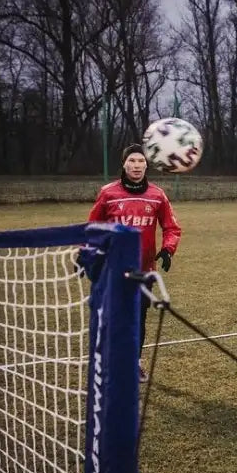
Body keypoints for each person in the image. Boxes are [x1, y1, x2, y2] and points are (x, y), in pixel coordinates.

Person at [88, 143, 181, 380]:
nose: (137, 165)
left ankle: (134, 362)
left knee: (138, 318)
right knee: (114, 317)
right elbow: (92, 228)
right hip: (113, 268)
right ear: (124, 164)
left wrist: (168, 249)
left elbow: (171, 227)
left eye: (141, 161)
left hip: (144, 269)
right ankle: (110, 360)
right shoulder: (108, 193)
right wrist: (87, 253)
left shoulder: (157, 195)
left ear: (147, 164)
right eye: (132, 161)